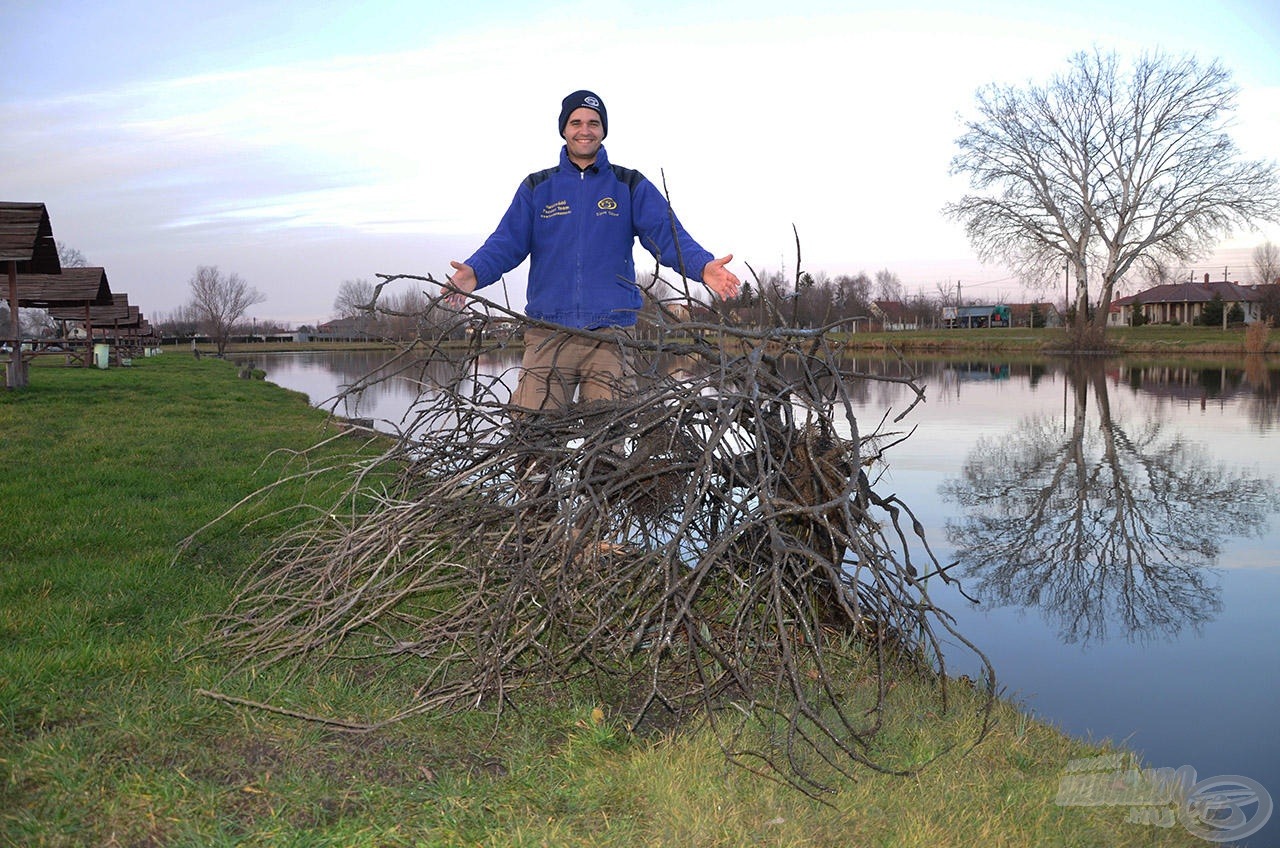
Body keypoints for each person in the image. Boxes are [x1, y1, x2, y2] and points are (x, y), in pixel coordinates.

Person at [444, 89, 740, 412]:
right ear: (564, 129)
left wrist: (703, 267)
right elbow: (505, 243)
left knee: (608, 450)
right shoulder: (537, 188)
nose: (585, 130)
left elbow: (667, 236)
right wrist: (474, 272)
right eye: (576, 122)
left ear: (603, 130)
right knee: (533, 442)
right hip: (548, 332)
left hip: (611, 337)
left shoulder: (629, 185)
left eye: (593, 123)